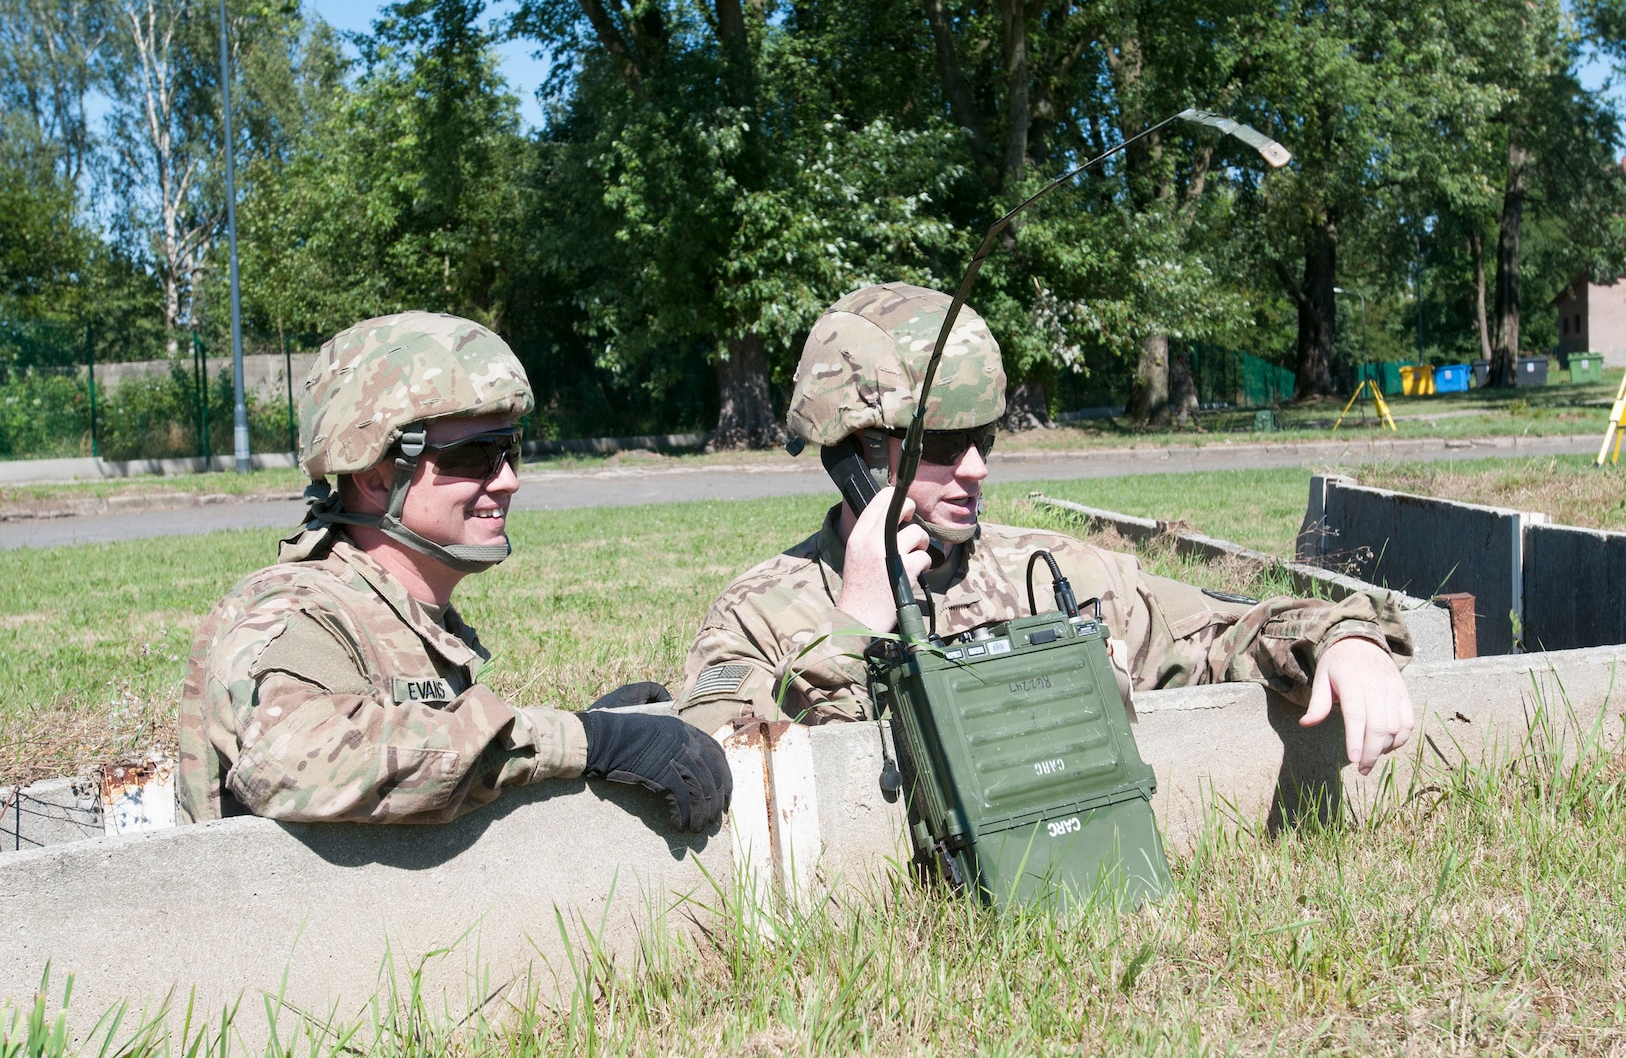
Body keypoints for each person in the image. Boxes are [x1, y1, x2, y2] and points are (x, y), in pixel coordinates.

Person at [676, 283, 1415, 775]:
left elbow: (1223, 631)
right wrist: (855, 629)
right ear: (852, 452)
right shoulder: (763, 613)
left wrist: (1345, 639)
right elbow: (717, 772)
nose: (975, 469)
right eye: (938, 445)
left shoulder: (1055, 573)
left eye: (985, 440)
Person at [179, 312, 730, 830]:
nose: (508, 480)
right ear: (374, 477)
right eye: (474, 455)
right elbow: (294, 763)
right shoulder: (295, 610)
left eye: (511, 449)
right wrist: (577, 739)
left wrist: (585, 738)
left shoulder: (399, 610)